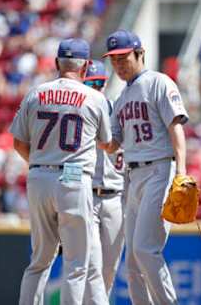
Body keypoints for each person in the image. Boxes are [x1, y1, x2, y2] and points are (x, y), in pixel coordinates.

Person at [10, 38, 112, 305]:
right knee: (77, 264)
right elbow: (105, 143)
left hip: (39, 176)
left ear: (57, 63)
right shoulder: (95, 97)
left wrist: (43, 162)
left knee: (39, 260)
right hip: (74, 177)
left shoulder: (35, 92)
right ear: (87, 65)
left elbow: (18, 143)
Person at [101, 29, 189, 304]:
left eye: (123, 57)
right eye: (113, 59)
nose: (118, 63)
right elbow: (113, 144)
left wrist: (181, 172)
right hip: (132, 175)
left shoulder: (159, 83)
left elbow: (176, 128)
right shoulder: (121, 97)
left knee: (145, 250)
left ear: (140, 53)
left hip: (159, 171)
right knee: (133, 262)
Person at [82, 60, 125, 304]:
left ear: (105, 83)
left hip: (116, 197)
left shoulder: (118, 112)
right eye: (90, 83)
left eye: (99, 83)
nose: (95, 89)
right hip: (87, 195)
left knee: (108, 270)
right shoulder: (77, 116)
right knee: (91, 267)